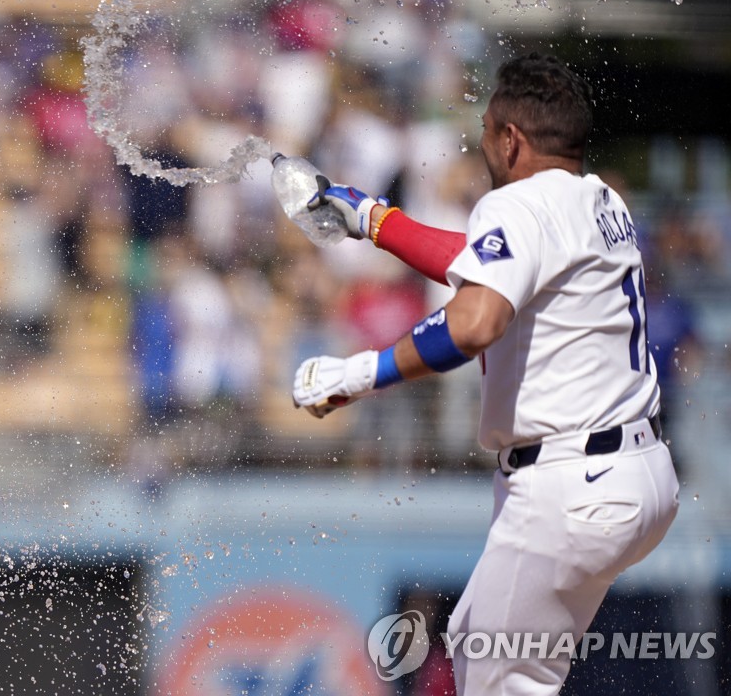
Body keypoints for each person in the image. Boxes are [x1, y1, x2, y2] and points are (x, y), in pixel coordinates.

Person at [290, 53, 679, 694]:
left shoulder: (517, 204)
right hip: (639, 476)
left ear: (511, 138)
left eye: (486, 133)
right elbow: (486, 268)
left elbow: (473, 322)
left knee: (495, 679)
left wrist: (361, 373)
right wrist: (375, 222)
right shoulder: (600, 198)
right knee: (481, 645)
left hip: (566, 486)